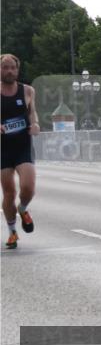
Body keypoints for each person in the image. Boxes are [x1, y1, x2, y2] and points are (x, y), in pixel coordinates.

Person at [1, 54, 40, 249]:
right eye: (5, 67)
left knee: (28, 187)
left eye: (12, 68)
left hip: (23, 145)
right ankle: (12, 232)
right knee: (9, 192)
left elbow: (32, 112)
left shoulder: (27, 91)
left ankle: (23, 209)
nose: (9, 71)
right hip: (3, 149)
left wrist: (35, 124)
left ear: (17, 70)